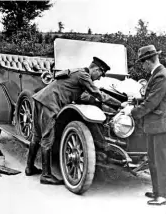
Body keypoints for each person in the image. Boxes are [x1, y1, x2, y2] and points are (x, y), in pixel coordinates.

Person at [25, 56, 121, 185]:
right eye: (100, 74)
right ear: (96, 69)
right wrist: (119, 104)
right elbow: (97, 93)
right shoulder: (84, 76)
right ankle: (46, 175)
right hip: (50, 103)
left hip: (40, 99)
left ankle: (29, 168)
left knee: (37, 136)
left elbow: (78, 94)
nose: (99, 78)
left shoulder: (77, 72)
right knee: (47, 139)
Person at [121, 45, 166, 206]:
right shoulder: (157, 74)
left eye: (142, 63)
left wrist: (131, 111)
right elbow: (151, 98)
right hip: (154, 125)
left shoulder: (161, 76)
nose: (142, 66)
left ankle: (162, 196)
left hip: (160, 126)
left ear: (148, 61)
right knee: (153, 160)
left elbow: (152, 103)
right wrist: (136, 101)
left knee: (160, 161)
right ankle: (157, 191)